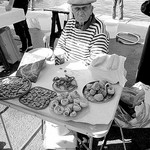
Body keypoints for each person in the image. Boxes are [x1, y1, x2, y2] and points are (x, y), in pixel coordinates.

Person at [44, 0, 122, 150]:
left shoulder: (98, 27)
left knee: (71, 101)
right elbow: (61, 46)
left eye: (84, 8)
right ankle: (64, 134)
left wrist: (69, 67)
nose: (80, 12)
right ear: (72, 10)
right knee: (52, 95)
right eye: (77, 8)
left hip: (87, 75)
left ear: (91, 8)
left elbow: (94, 60)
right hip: (68, 73)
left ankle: (75, 134)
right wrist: (60, 57)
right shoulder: (71, 23)